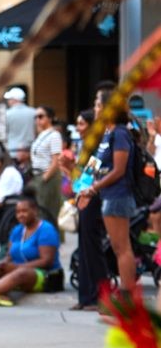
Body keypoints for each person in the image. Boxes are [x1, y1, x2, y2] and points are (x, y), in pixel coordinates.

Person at [77, 86, 137, 293]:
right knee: (117, 247)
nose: (95, 108)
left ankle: (128, 298)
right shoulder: (106, 133)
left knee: (122, 248)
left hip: (117, 195)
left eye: (98, 103)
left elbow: (119, 170)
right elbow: (93, 166)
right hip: (106, 196)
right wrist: (80, 185)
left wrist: (93, 188)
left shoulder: (119, 133)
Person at [26, 105, 63, 223]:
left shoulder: (54, 135)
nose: (38, 120)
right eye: (35, 117)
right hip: (38, 175)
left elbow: (56, 160)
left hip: (48, 175)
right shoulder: (41, 135)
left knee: (48, 210)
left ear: (50, 118)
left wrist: (45, 177)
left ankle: (51, 238)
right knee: (39, 209)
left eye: (41, 116)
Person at [4, 87, 36, 161]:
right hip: (30, 151)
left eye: (9, 99)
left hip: (12, 151)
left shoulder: (6, 114)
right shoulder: (34, 112)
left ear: (14, 100)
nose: (8, 101)